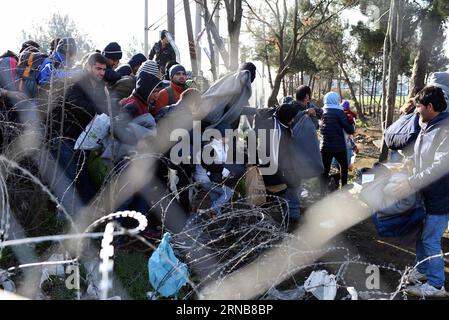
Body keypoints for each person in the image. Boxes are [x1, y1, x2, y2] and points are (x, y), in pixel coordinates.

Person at [389, 86, 449, 298]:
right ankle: (422, 270)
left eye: (419, 107)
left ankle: (436, 285)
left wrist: (412, 182)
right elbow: (423, 157)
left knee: (431, 240)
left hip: (440, 197)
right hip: (425, 194)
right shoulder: (428, 125)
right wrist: (408, 165)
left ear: (430, 107)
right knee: (421, 236)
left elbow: (441, 166)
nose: (416, 111)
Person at [49, 52, 109, 209]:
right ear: (88, 67)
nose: (101, 73)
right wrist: (100, 110)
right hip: (64, 137)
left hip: (83, 141)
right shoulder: (76, 82)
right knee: (70, 180)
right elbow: (77, 105)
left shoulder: (100, 87)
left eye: (104, 69)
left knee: (80, 180)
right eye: (98, 69)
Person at [194, 122, 234, 216]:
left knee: (216, 199)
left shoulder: (222, 146)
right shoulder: (209, 146)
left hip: (210, 177)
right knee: (227, 193)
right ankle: (209, 213)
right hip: (204, 178)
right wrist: (223, 170)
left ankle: (210, 220)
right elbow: (209, 164)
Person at [319, 92, 355, 196]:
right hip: (339, 147)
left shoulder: (322, 111)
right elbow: (350, 130)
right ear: (336, 100)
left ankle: (322, 193)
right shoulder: (340, 112)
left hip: (325, 146)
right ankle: (343, 189)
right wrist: (350, 122)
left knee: (324, 170)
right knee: (343, 167)